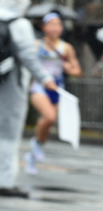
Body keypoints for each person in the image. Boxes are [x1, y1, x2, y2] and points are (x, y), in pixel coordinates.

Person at [0, 0, 55, 197]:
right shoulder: (19, 24)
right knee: (8, 135)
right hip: (11, 86)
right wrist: (45, 78)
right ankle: (5, 181)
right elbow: (28, 57)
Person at [23, 11, 80, 175]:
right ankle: (36, 145)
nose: (55, 28)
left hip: (57, 89)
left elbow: (77, 70)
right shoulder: (36, 45)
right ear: (44, 27)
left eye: (58, 24)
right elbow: (27, 63)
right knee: (49, 116)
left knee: (48, 124)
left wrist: (68, 68)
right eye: (52, 24)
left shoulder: (66, 48)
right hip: (40, 87)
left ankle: (32, 155)